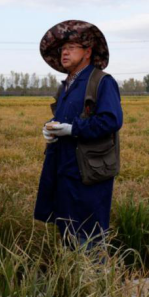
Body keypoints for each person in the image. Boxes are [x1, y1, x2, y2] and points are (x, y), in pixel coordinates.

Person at [34, 20, 123, 246]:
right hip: (63, 170)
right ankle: (71, 269)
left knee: (89, 236)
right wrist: (51, 127)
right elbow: (64, 118)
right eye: (63, 49)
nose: (64, 52)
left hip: (88, 174)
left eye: (71, 47)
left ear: (87, 52)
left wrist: (73, 129)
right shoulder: (66, 85)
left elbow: (111, 120)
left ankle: (94, 270)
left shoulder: (101, 82)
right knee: (67, 230)